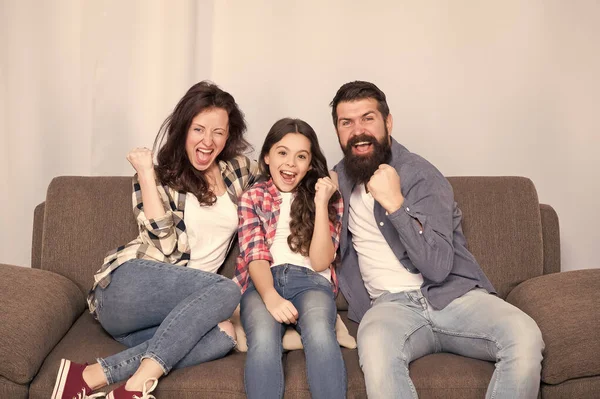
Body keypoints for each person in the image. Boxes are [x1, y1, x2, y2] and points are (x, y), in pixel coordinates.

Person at [329, 81, 544, 398]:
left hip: (452, 296)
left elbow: (438, 267)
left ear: (388, 122)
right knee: (374, 349)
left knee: (524, 335)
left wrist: (396, 205)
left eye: (368, 118)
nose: (357, 131)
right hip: (390, 308)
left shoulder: (421, 175)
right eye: (346, 122)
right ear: (337, 131)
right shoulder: (338, 180)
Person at [51, 81, 258, 399]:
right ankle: (134, 390)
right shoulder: (160, 177)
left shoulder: (240, 171)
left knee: (224, 334)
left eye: (218, 131)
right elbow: (165, 246)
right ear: (183, 130)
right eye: (198, 129)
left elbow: (283, 180)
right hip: (125, 288)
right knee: (227, 290)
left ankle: (88, 377)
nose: (207, 141)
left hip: (172, 310)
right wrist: (147, 172)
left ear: (228, 135)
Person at [233, 118, 347, 399]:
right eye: (282, 153)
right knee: (262, 339)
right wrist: (271, 296)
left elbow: (321, 262)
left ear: (310, 164)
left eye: (301, 157)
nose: (291, 164)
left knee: (321, 334)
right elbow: (255, 255)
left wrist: (321, 203)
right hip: (263, 282)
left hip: (311, 282)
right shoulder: (252, 197)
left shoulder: (329, 198)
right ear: (267, 157)